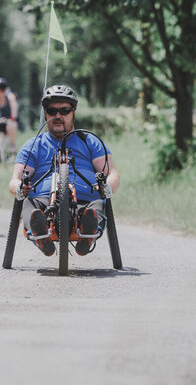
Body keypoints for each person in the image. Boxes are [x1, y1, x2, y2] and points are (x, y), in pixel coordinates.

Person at [9, 85, 120, 256]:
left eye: (64, 110)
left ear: (73, 113)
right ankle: (40, 233)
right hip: (43, 201)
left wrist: (107, 187)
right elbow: (15, 180)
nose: (58, 116)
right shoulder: (34, 145)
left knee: (97, 205)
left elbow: (112, 174)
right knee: (28, 204)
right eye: (52, 111)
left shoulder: (89, 141)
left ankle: (88, 233)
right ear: (45, 114)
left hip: (86, 199)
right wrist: (19, 187)